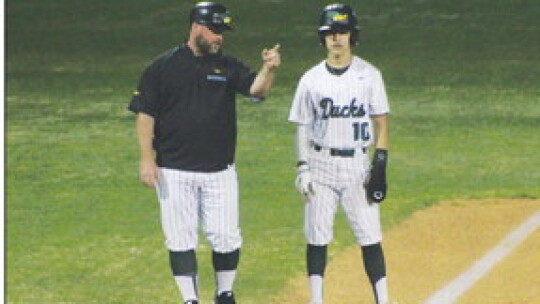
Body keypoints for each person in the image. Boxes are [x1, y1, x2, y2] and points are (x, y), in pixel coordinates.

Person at [128, 2, 281, 304]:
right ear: (196, 27)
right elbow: (145, 115)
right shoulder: (162, 67)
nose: (218, 37)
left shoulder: (227, 66)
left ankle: (225, 294)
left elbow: (257, 90)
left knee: (226, 237)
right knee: (180, 238)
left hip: (219, 171)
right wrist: (147, 159)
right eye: (214, 30)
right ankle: (190, 299)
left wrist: (269, 69)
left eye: (222, 32)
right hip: (174, 170)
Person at [288, 4, 394, 304]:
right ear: (322, 38)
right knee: (316, 236)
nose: (336, 38)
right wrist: (303, 167)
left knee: (370, 235)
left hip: (357, 166)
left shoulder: (369, 75)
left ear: (352, 35)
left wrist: (380, 165)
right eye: (330, 33)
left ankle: (383, 300)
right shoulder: (310, 79)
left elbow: (381, 122)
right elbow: (303, 127)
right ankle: (316, 300)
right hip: (320, 165)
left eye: (342, 32)